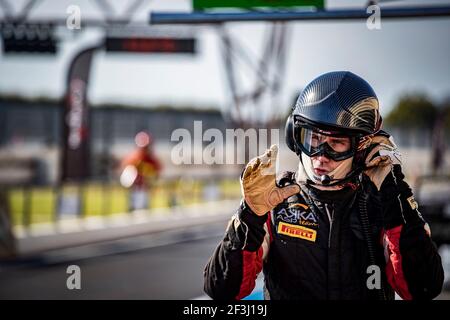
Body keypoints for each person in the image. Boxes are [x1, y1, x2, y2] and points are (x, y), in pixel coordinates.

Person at [203, 71, 444, 300]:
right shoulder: (273, 202)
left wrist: (394, 196)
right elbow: (222, 290)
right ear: (294, 135)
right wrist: (249, 216)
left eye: (336, 142)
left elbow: (422, 288)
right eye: (314, 138)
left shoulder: (385, 205)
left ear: (363, 147)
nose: (321, 155)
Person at [120, 131, 162, 211]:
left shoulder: (152, 160)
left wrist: (151, 178)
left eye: (147, 146)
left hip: (145, 191)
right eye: (144, 147)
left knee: (144, 211)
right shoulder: (133, 158)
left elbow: (157, 172)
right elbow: (126, 176)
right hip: (134, 191)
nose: (146, 149)